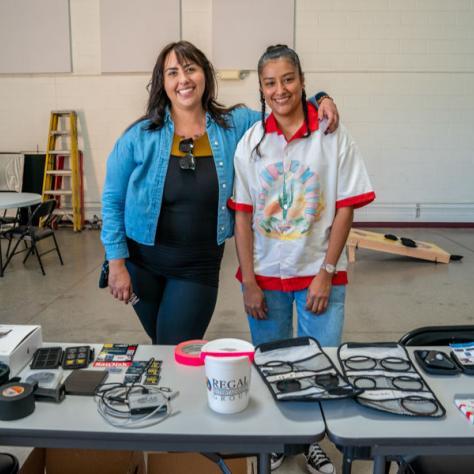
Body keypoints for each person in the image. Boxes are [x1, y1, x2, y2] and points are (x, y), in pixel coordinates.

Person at [101, 41, 340, 345]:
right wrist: (118, 262)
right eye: (173, 73)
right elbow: (112, 200)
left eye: (190, 69)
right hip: (140, 263)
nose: (183, 80)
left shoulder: (233, 125)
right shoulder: (140, 136)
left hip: (196, 267)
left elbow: (283, 108)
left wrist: (321, 98)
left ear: (205, 75)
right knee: (161, 346)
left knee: (174, 344)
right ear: (164, 82)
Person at [229, 45, 375, 473]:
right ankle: (279, 439)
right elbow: (242, 216)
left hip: (318, 273)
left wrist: (326, 273)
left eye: (288, 79)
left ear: (302, 81)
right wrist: (250, 282)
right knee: (272, 364)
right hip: (266, 276)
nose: (280, 90)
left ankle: (312, 441)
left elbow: (346, 207)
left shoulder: (332, 135)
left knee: (320, 366)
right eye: (270, 82)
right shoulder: (251, 142)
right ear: (260, 87)